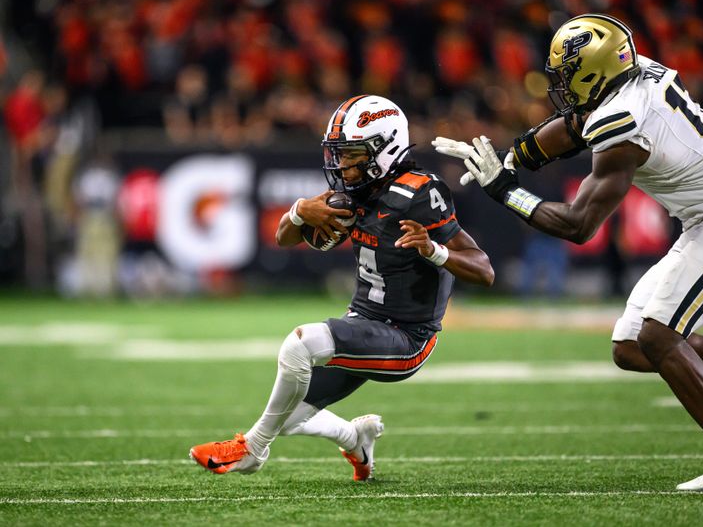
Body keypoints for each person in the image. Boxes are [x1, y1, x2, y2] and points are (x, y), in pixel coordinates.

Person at [433, 14, 703, 491]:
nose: (558, 87)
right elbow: (572, 126)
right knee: (631, 347)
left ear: (592, 73)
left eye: (566, 77)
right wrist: (512, 158)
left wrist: (505, 191)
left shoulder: (621, 120)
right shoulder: (630, 74)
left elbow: (578, 224)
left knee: (659, 335)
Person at [190, 95, 494, 480]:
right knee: (286, 415)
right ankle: (355, 439)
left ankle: (252, 448)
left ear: (385, 149)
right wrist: (299, 211)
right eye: (339, 153)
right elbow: (285, 237)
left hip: (407, 336)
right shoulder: (353, 192)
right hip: (364, 321)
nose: (342, 165)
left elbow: (484, 270)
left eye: (352, 154)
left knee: (299, 344)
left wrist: (433, 250)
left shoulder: (420, 193)